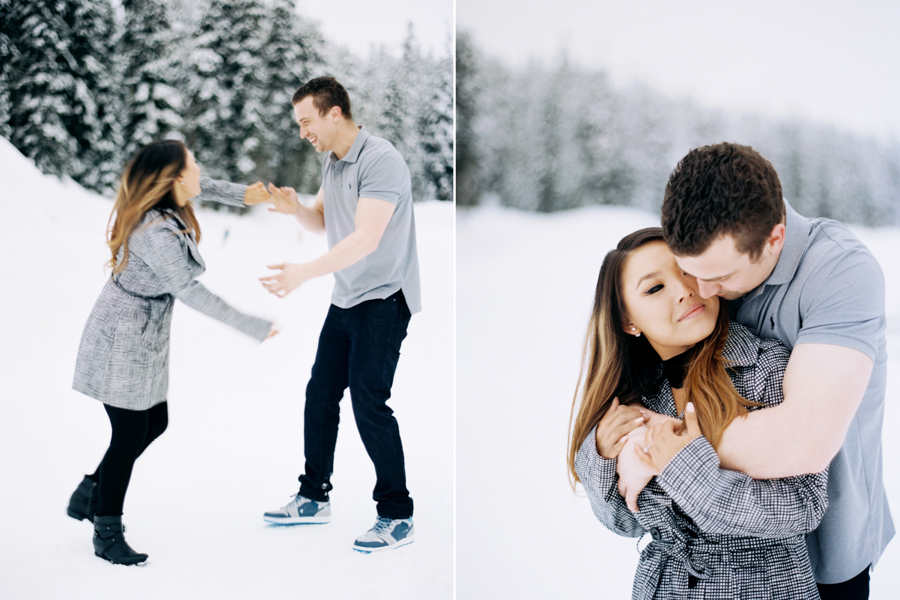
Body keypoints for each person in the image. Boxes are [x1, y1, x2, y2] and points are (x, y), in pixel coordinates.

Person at [641, 142, 891, 599]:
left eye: (718, 278)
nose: (699, 292)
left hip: (825, 549)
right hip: (720, 559)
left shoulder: (842, 272)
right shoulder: (704, 264)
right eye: (685, 270)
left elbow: (804, 440)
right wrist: (610, 443)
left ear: (774, 239)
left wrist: (655, 443)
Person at [569, 227, 829, 600]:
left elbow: (806, 505)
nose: (684, 290)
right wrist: (603, 459)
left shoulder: (766, 369)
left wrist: (686, 468)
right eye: (655, 288)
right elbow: (626, 524)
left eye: (687, 271)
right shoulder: (638, 400)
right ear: (629, 322)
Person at [68, 140, 276, 565]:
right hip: (122, 334)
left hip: (143, 331)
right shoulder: (156, 232)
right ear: (177, 178)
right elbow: (188, 291)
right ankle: (106, 529)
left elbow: (205, 186)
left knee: (155, 421)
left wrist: (245, 194)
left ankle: (92, 490)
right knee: (128, 434)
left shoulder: (172, 199)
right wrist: (250, 324)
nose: (200, 170)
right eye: (194, 164)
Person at [257, 76, 421, 553]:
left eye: (306, 121)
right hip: (347, 296)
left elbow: (366, 237)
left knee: (369, 400)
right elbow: (324, 221)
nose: (302, 131)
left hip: (386, 297)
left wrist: (305, 272)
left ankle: (396, 514)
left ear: (334, 113)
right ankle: (314, 496)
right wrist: (295, 210)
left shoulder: (381, 160)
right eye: (298, 124)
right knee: (321, 392)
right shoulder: (333, 162)